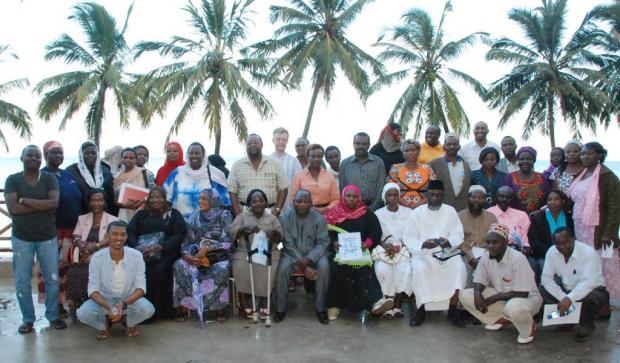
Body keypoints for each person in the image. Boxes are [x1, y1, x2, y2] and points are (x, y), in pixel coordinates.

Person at [4, 145, 67, 333]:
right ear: (21, 158)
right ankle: (28, 319)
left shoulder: (49, 179)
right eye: (30, 155)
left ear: (42, 159)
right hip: (21, 238)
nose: (34, 159)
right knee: (22, 280)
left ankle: (53, 316)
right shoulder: (12, 180)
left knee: (52, 279)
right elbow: (13, 210)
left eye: (38, 156)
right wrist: (42, 205)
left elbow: (54, 204)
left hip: (47, 236)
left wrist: (25, 200)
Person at [459, 223, 542, 344]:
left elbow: (523, 292)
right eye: (488, 242)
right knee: (466, 295)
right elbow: (479, 279)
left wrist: (492, 299)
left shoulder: (518, 259)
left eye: (495, 242)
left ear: (506, 242)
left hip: (528, 300)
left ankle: (529, 328)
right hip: (503, 297)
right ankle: (503, 319)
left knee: (514, 307)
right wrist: (477, 294)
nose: (490, 246)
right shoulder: (486, 256)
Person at [402, 180, 465, 327]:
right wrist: (423, 244)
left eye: (439, 194)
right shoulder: (417, 213)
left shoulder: (450, 211)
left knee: (459, 267)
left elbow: (458, 234)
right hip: (423, 254)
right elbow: (409, 237)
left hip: (446, 254)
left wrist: (448, 242)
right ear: (426, 195)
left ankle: (453, 310)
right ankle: (421, 310)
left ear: (443, 195)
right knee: (419, 269)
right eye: (432, 194)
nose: (435, 197)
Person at [76, 221, 155, 340]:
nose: (119, 238)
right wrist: (109, 307)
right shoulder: (97, 258)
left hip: (128, 299)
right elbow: (92, 290)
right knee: (82, 314)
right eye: (114, 234)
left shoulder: (136, 256)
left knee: (148, 309)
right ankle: (103, 326)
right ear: (107, 236)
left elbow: (141, 288)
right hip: (104, 299)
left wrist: (122, 304)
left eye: (122, 234)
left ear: (127, 236)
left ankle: (128, 322)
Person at [324, 185, 387, 322]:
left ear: (358, 198)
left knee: (364, 268)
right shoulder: (332, 212)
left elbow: (375, 231)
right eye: (348, 196)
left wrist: (368, 243)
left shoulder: (366, 213)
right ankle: (334, 306)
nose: (351, 199)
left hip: (361, 252)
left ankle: (374, 303)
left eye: (354, 197)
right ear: (343, 196)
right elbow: (324, 233)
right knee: (336, 268)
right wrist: (332, 243)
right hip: (338, 252)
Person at [567, 142, 620, 301]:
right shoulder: (582, 174)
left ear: (599, 156)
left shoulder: (607, 176)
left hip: (600, 230)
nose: (584, 157)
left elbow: (615, 206)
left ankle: (605, 300)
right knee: (586, 262)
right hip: (581, 228)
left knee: (602, 263)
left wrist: (609, 232)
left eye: (588, 154)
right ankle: (590, 297)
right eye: (582, 154)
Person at [173, 189, 233, 324]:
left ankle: (218, 308)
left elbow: (228, 241)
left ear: (213, 200)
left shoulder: (224, 215)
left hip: (217, 255)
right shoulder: (194, 217)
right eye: (199, 198)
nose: (200, 201)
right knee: (179, 265)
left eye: (204, 199)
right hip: (195, 255)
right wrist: (188, 256)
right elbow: (186, 242)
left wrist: (206, 249)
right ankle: (184, 307)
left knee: (222, 268)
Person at [127, 187, 187, 321]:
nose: (155, 200)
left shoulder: (173, 214)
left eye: (159, 197)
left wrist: (161, 247)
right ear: (148, 199)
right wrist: (138, 248)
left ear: (165, 199)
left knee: (160, 270)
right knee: (141, 270)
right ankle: (142, 312)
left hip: (167, 254)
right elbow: (130, 232)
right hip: (142, 254)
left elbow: (179, 235)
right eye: (152, 197)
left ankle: (160, 313)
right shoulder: (141, 214)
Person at [540, 228, 610, 342]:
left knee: (589, 299)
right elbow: (546, 278)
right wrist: (564, 298)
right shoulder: (552, 252)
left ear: (574, 239)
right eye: (558, 243)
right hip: (567, 291)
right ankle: (568, 320)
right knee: (543, 289)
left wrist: (569, 299)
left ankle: (586, 327)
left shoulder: (588, 253)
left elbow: (588, 283)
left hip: (593, 290)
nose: (562, 246)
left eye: (566, 242)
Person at [38, 141, 83, 314]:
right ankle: (55, 304)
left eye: (61, 152)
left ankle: (70, 301)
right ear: (45, 155)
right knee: (52, 269)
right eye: (54, 152)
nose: (58, 156)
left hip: (73, 231)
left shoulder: (68, 175)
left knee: (70, 268)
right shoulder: (42, 176)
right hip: (53, 231)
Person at [275, 190, 331, 324]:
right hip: (291, 254)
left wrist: (309, 259)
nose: (302, 204)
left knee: (324, 267)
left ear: (311, 204)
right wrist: (304, 265)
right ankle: (280, 309)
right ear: (293, 202)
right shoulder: (285, 218)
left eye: (306, 202)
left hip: (315, 255)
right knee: (282, 269)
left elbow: (323, 243)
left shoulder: (319, 218)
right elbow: (287, 244)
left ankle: (321, 308)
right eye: (299, 201)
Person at [228, 189, 282, 319]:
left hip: (268, 252)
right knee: (240, 266)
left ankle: (265, 301)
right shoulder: (242, 217)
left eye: (261, 201)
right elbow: (231, 231)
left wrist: (274, 234)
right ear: (249, 204)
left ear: (266, 203)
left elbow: (280, 238)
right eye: (254, 201)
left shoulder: (272, 218)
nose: (258, 203)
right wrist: (242, 229)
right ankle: (244, 303)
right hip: (244, 251)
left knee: (267, 266)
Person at [67, 189, 119, 316]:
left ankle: (94, 301)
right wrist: (80, 244)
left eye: (100, 200)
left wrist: (95, 246)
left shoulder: (112, 219)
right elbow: (76, 236)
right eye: (94, 200)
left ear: (105, 202)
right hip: (84, 254)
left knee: (90, 270)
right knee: (74, 271)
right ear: (89, 202)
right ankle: (77, 302)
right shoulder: (82, 218)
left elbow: (111, 239)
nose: (97, 203)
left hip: (103, 254)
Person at [373, 183, 413, 318]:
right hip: (385, 248)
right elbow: (376, 235)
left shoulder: (408, 212)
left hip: (403, 248)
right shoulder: (378, 213)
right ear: (384, 197)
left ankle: (397, 306)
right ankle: (387, 304)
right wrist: (385, 246)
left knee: (404, 270)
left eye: (395, 195)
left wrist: (399, 247)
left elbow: (412, 234)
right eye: (389, 195)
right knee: (382, 270)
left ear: (399, 196)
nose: (392, 198)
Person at [163, 142, 230, 218]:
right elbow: (165, 196)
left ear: (203, 155)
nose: (194, 156)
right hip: (180, 224)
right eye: (191, 153)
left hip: (207, 226)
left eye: (197, 153)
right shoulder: (178, 172)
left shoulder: (214, 173)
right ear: (187, 155)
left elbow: (225, 202)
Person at [228, 134, 288, 217]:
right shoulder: (237, 165)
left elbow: (283, 189)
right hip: (245, 213)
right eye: (249, 143)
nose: (253, 145)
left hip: (271, 213)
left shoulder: (275, 164)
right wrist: (237, 213)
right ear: (246, 146)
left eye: (256, 143)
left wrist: (277, 210)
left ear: (262, 145)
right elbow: (232, 190)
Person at [528, 189, 574, 281]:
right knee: (550, 274)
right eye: (550, 199)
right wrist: (552, 254)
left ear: (562, 201)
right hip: (545, 255)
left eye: (556, 199)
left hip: (567, 253)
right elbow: (534, 242)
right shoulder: (538, 217)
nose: (553, 202)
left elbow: (573, 237)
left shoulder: (569, 217)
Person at [458, 186, 498, 288]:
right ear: (468, 198)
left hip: (487, 253)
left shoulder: (491, 217)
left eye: (480, 198)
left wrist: (485, 255)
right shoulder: (459, 216)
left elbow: (496, 239)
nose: (477, 200)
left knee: (495, 266)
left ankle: (490, 298)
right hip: (465, 254)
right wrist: (471, 257)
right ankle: (467, 299)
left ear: (485, 200)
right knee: (463, 269)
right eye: (474, 197)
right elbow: (458, 241)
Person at [339, 132, 386, 211]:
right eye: (358, 143)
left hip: (374, 208)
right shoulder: (345, 164)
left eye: (364, 144)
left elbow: (381, 186)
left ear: (369, 145)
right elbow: (343, 188)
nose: (361, 146)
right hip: (352, 209)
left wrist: (373, 208)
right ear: (353, 144)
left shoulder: (378, 162)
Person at [66, 141, 116, 215]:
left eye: (93, 153)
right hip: (81, 214)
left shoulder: (105, 171)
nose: (90, 155)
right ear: (81, 155)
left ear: (97, 155)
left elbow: (111, 194)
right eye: (87, 153)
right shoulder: (72, 171)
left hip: (104, 213)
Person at [290, 144, 339, 214]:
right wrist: (304, 210)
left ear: (322, 157)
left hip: (328, 214)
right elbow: (293, 199)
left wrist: (325, 209)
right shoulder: (299, 176)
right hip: (305, 215)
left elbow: (336, 199)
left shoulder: (330, 176)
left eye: (319, 156)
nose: (316, 158)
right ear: (307, 156)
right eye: (313, 156)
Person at [386, 139, 435, 209]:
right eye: (406, 151)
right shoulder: (395, 168)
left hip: (423, 209)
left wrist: (419, 204)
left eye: (413, 150)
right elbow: (389, 188)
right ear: (402, 153)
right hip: (400, 208)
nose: (410, 153)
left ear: (418, 152)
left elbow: (434, 191)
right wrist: (405, 204)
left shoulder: (427, 169)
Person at [429, 133, 471, 212]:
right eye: (449, 144)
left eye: (455, 144)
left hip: (462, 208)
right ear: (444, 147)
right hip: (442, 207)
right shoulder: (434, 164)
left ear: (459, 147)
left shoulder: (466, 165)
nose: (452, 146)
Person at [501, 146, 549, 214]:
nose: (525, 161)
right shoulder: (509, 178)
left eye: (529, 159)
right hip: (515, 219)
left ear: (534, 160)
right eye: (522, 159)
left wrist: (540, 211)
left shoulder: (542, 178)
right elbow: (503, 199)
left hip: (539, 218)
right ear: (518, 160)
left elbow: (548, 199)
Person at [488, 186, 531, 251]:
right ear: (496, 197)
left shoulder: (522, 215)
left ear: (513, 199)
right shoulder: (487, 214)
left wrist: (523, 251)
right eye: (502, 196)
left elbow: (525, 243)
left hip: (516, 253)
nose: (505, 199)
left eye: (508, 197)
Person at [114, 148, 150, 223]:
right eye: (125, 157)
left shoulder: (143, 173)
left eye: (131, 158)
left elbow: (148, 193)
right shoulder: (117, 176)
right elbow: (115, 197)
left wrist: (140, 202)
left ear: (136, 160)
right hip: (123, 211)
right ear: (121, 159)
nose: (128, 160)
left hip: (140, 210)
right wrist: (125, 205)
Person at [270, 127, 302, 192]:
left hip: (290, 200)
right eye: (278, 139)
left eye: (284, 140)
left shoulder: (294, 161)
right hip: (271, 200)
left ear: (287, 141)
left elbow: (300, 182)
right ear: (273, 140)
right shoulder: (267, 160)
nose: (281, 142)